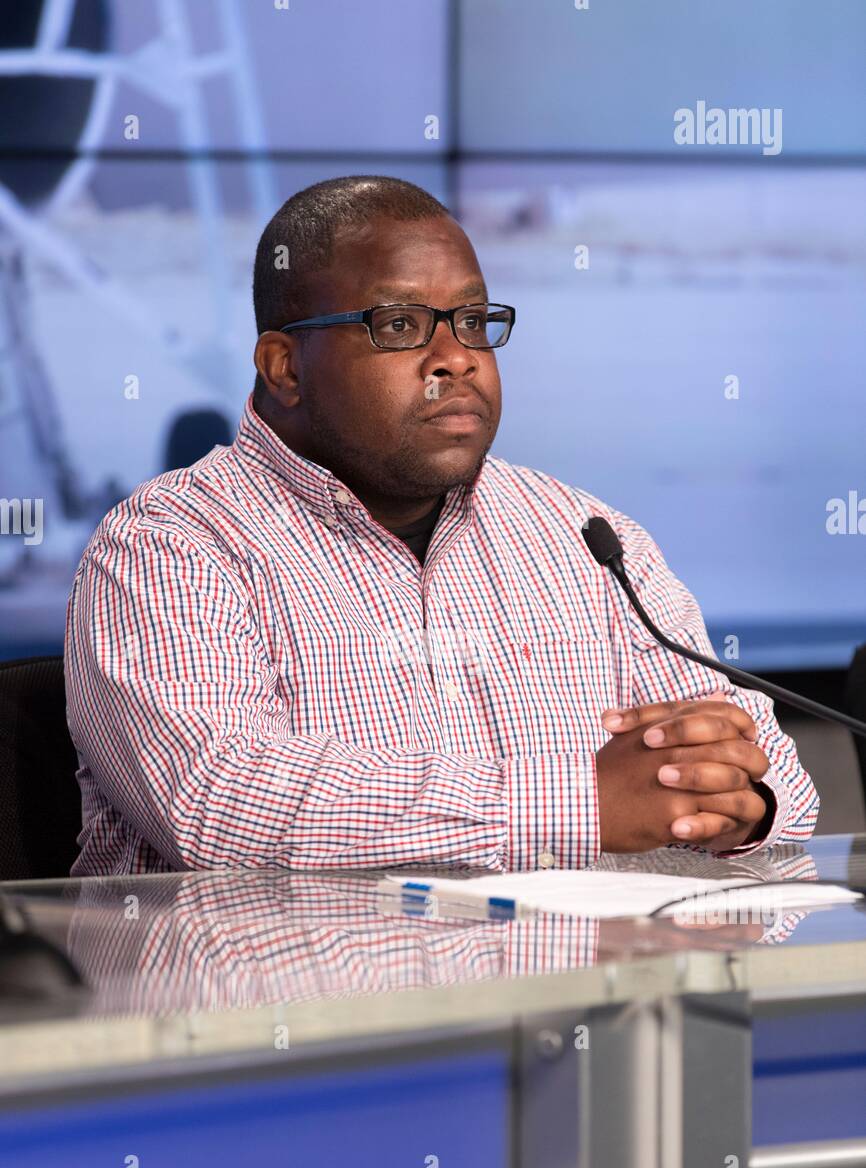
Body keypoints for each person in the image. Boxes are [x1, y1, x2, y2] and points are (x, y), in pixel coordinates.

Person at [65, 175, 818, 877]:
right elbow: (217, 803)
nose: (456, 358)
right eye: (400, 324)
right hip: (283, 1014)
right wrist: (578, 805)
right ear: (284, 367)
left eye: (473, 320)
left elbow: (774, 769)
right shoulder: (168, 545)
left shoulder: (584, 534)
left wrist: (734, 801)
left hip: (562, 1002)